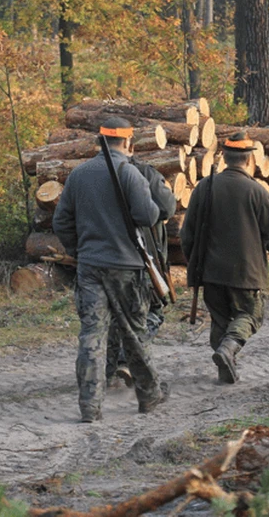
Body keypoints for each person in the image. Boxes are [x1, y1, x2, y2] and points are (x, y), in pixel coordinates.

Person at [52, 117, 170, 422]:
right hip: (127, 269)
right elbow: (148, 216)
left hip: (90, 268)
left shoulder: (78, 175)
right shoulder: (129, 173)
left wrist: (78, 251)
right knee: (134, 335)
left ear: (98, 142)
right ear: (129, 143)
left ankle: (90, 406)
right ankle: (149, 396)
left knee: (92, 334)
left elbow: (61, 222)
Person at [180, 131, 269, 384]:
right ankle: (228, 350)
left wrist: (194, 264)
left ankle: (225, 367)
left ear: (225, 158)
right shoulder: (257, 191)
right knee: (251, 315)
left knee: (220, 319)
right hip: (246, 273)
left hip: (210, 272)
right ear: (249, 160)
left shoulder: (203, 188)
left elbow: (187, 234)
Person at [106, 153, 176, 388]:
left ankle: (111, 368)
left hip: (102, 260)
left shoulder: (88, 173)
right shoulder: (143, 172)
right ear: (128, 145)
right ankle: (127, 364)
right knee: (152, 312)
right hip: (140, 259)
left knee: (114, 315)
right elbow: (166, 208)